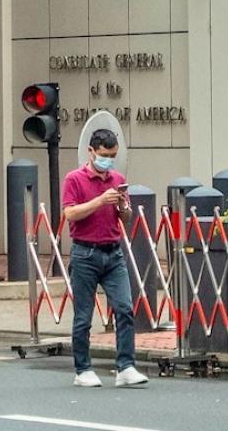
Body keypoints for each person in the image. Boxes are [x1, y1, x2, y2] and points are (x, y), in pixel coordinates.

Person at [62, 128, 148, 388]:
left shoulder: (117, 178)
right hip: (85, 252)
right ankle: (83, 369)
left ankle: (126, 366)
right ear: (90, 152)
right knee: (83, 316)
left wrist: (122, 206)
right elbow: (70, 214)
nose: (108, 160)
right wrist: (99, 201)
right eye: (103, 155)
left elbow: (126, 218)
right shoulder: (74, 179)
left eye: (112, 155)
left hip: (113, 252)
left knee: (124, 308)